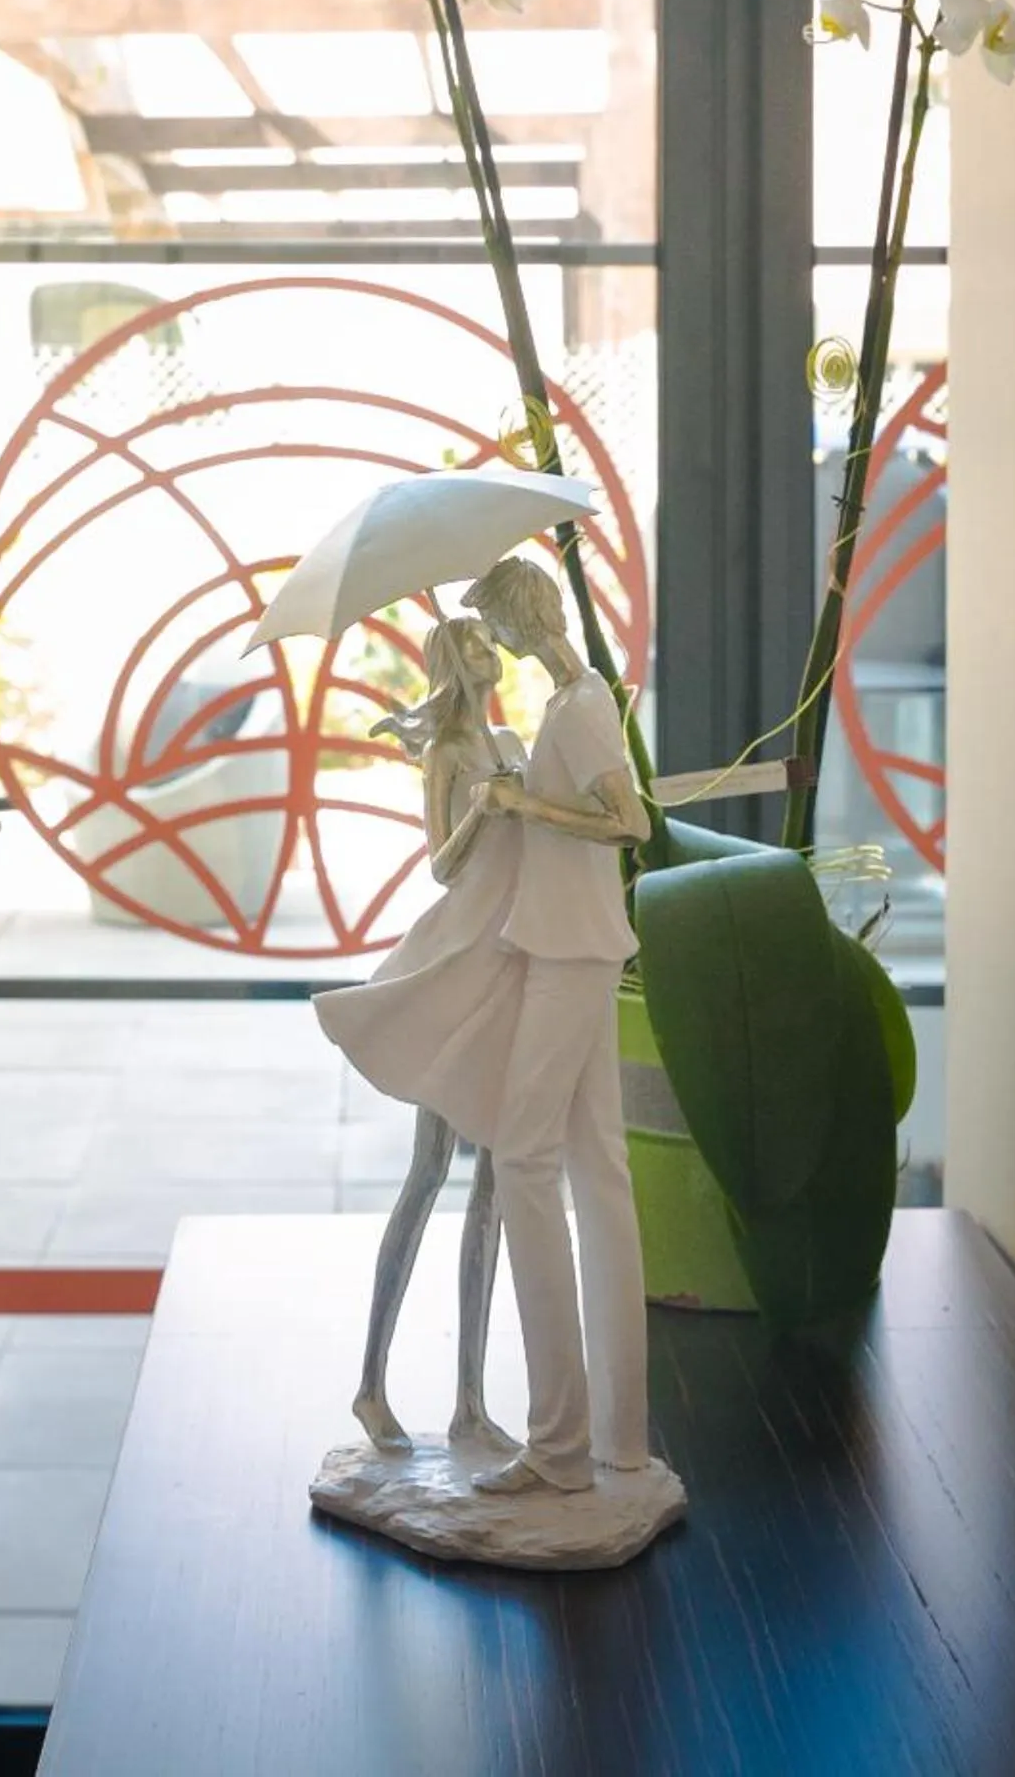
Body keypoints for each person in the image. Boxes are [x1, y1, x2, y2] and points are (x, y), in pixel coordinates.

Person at [457, 551, 652, 1496]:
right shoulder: (573, 698)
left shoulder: (578, 705)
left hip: (571, 952)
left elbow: (631, 823)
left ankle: (558, 1445)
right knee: (597, 1171)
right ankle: (614, 1436)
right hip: (575, 942)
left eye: (490, 620)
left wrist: (521, 802)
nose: (487, 638)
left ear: (516, 616)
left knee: (522, 1161)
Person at [314, 614, 527, 1456]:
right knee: (430, 1170)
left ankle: (470, 1399)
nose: (491, 653)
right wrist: (485, 807)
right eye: (475, 645)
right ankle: (371, 1384)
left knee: (498, 1178)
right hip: (458, 959)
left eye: (489, 643)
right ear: (455, 663)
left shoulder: (511, 740)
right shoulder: (454, 757)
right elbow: (442, 863)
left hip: (508, 956)